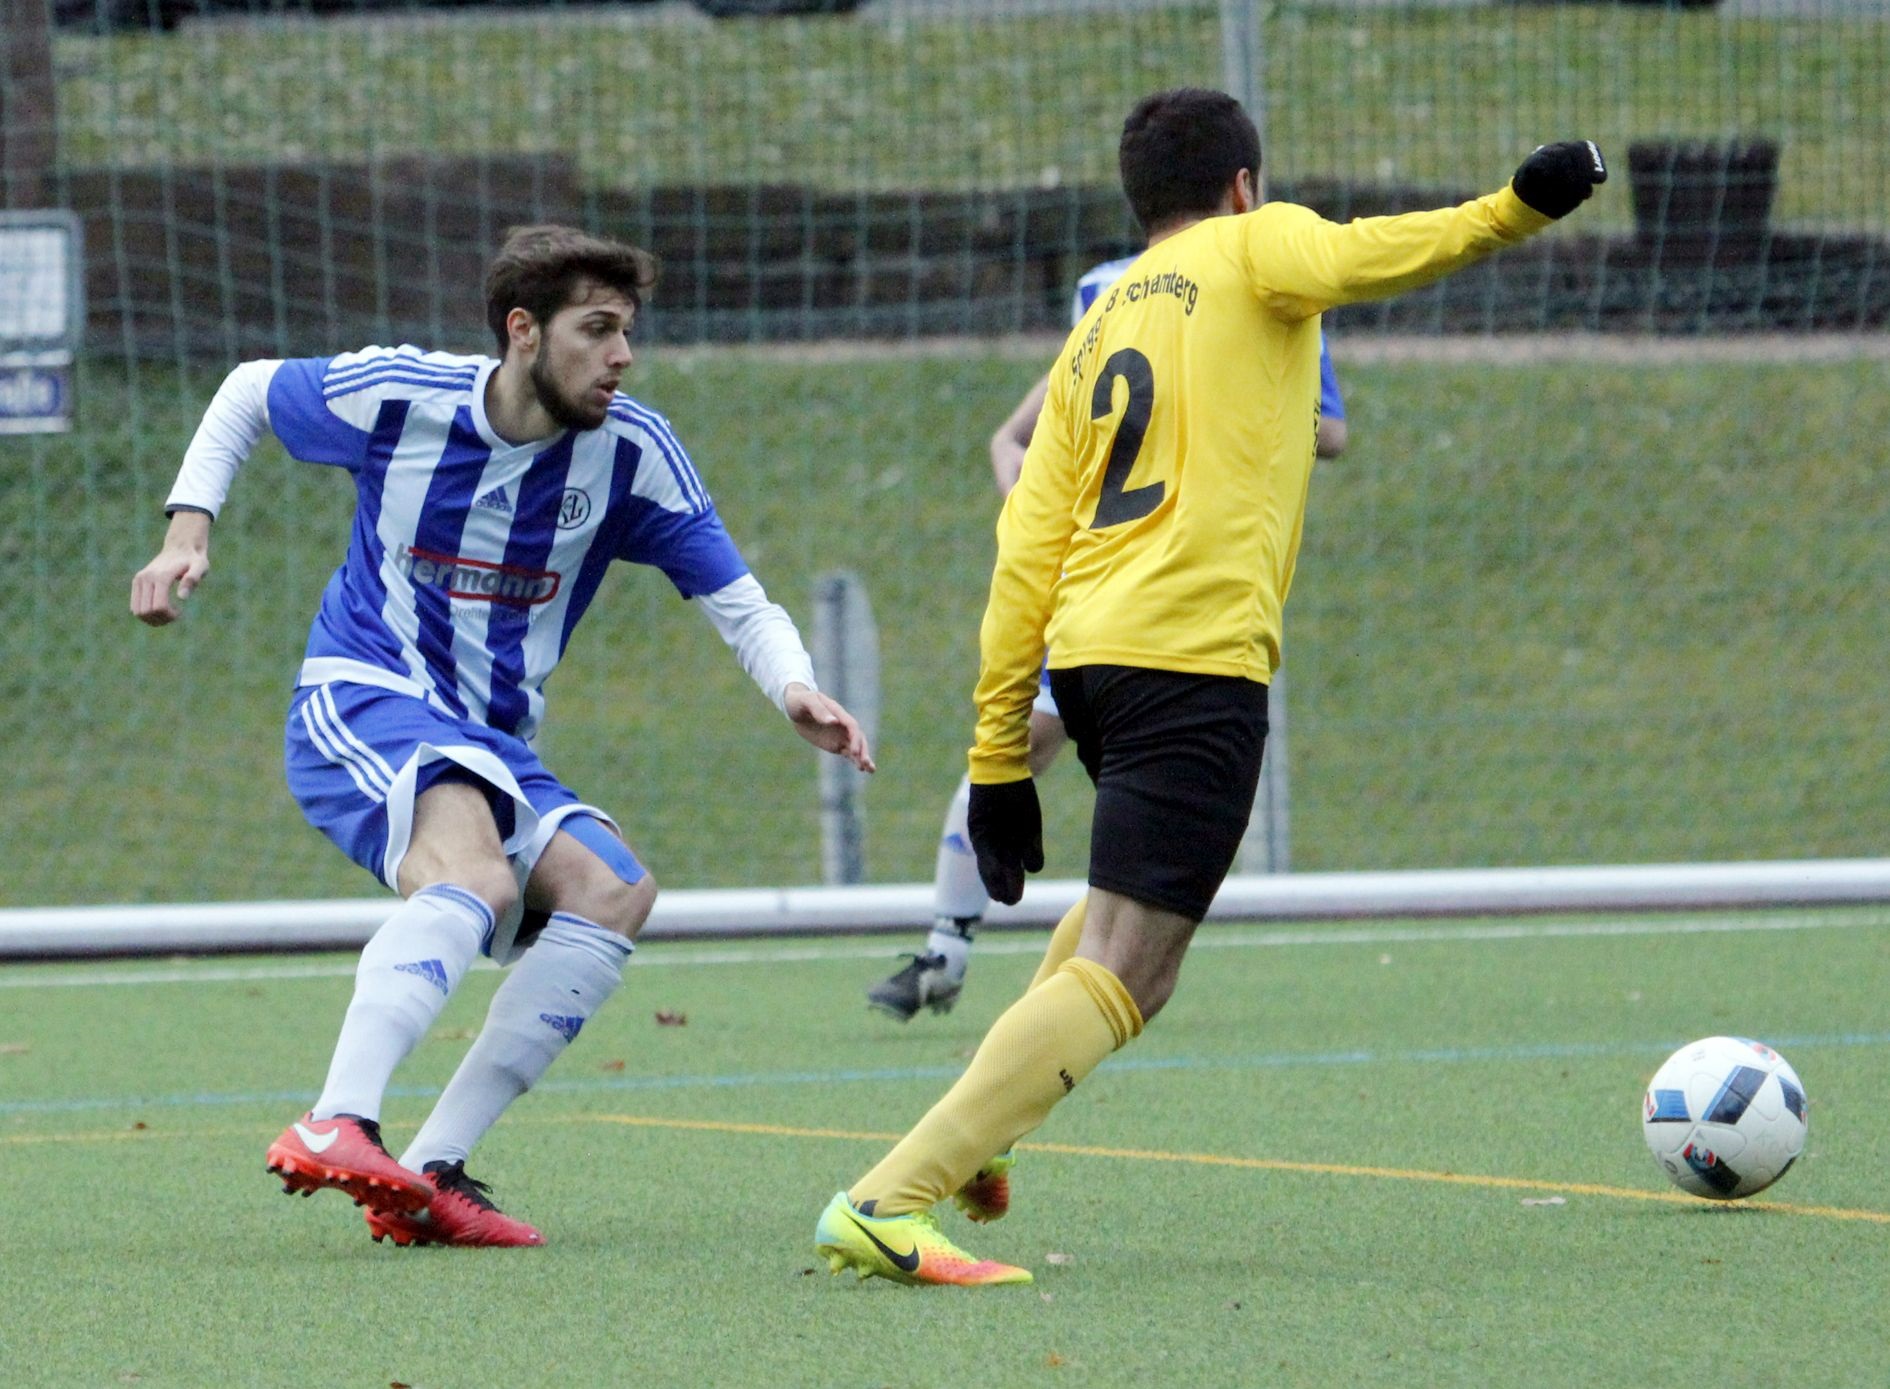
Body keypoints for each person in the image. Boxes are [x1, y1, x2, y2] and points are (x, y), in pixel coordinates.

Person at [816, 90, 1604, 1285]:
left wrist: (992, 759)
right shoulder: (1260, 242)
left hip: (1090, 659)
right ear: (1244, 186)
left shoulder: (1098, 321)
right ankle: (889, 1197)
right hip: (1191, 664)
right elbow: (1371, 251)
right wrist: (1514, 207)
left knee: (1113, 917)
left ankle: (982, 1129)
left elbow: (1027, 542)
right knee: (1139, 963)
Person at [131, 224, 874, 1249]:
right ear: (523, 332)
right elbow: (250, 390)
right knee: (473, 880)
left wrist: (795, 687)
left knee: (614, 889)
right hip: (365, 695)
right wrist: (187, 530)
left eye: (628, 333)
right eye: (597, 330)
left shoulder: (633, 454)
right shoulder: (404, 396)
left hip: (488, 742)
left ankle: (431, 1171)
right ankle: (336, 1119)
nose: (622, 356)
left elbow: (740, 602)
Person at [867, 260, 1348, 1022]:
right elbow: (1049, 410)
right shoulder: (1122, 287)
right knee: (1028, 740)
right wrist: (1014, 460)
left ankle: (1013, 963)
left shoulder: (1265, 283)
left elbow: (1330, 429)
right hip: (1118, 581)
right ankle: (953, 947)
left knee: (1061, 752)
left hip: (1174, 587)